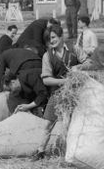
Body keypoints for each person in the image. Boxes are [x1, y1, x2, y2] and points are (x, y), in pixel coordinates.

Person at [31, 25, 81, 161]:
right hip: (57, 94)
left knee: (72, 124)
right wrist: (65, 81)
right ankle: (40, 151)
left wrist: (78, 67)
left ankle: (72, 153)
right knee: (48, 124)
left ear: (61, 36)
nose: (51, 41)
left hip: (76, 94)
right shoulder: (47, 56)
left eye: (53, 37)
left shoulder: (74, 49)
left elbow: (89, 62)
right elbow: (46, 80)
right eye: (49, 39)